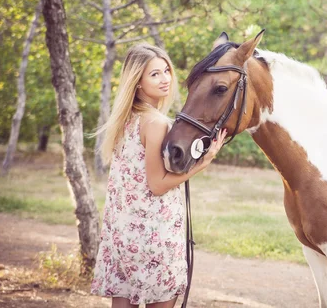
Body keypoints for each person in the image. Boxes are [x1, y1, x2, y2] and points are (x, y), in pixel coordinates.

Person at [91, 43, 226, 308]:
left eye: (166, 70)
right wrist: (204, 161)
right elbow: (157, 185)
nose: (165, 79)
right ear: (137, 82)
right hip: (154, 236)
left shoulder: (124, 119)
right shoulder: (156, 123)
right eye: (154, 74)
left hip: (122, 233)